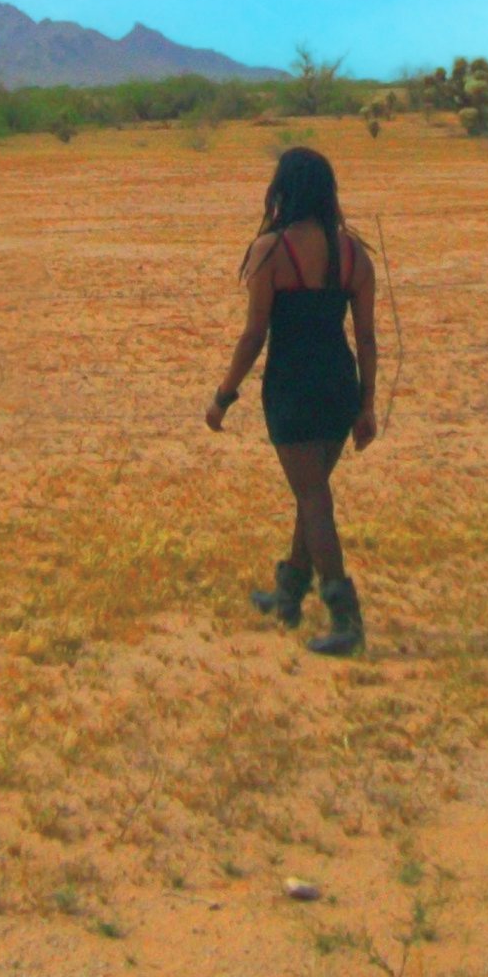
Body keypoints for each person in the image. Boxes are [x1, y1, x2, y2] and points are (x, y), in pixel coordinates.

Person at [206, 145, 379, 655]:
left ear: (283, 190)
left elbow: (254, 334)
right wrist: (366, 405)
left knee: (313, 498)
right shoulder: (353, 254)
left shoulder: (270, 251)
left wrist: (223, 396)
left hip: (292, 389)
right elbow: (366, 338)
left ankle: (345, 616)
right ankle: (287, 595)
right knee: (313, 491)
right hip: (339, 387)